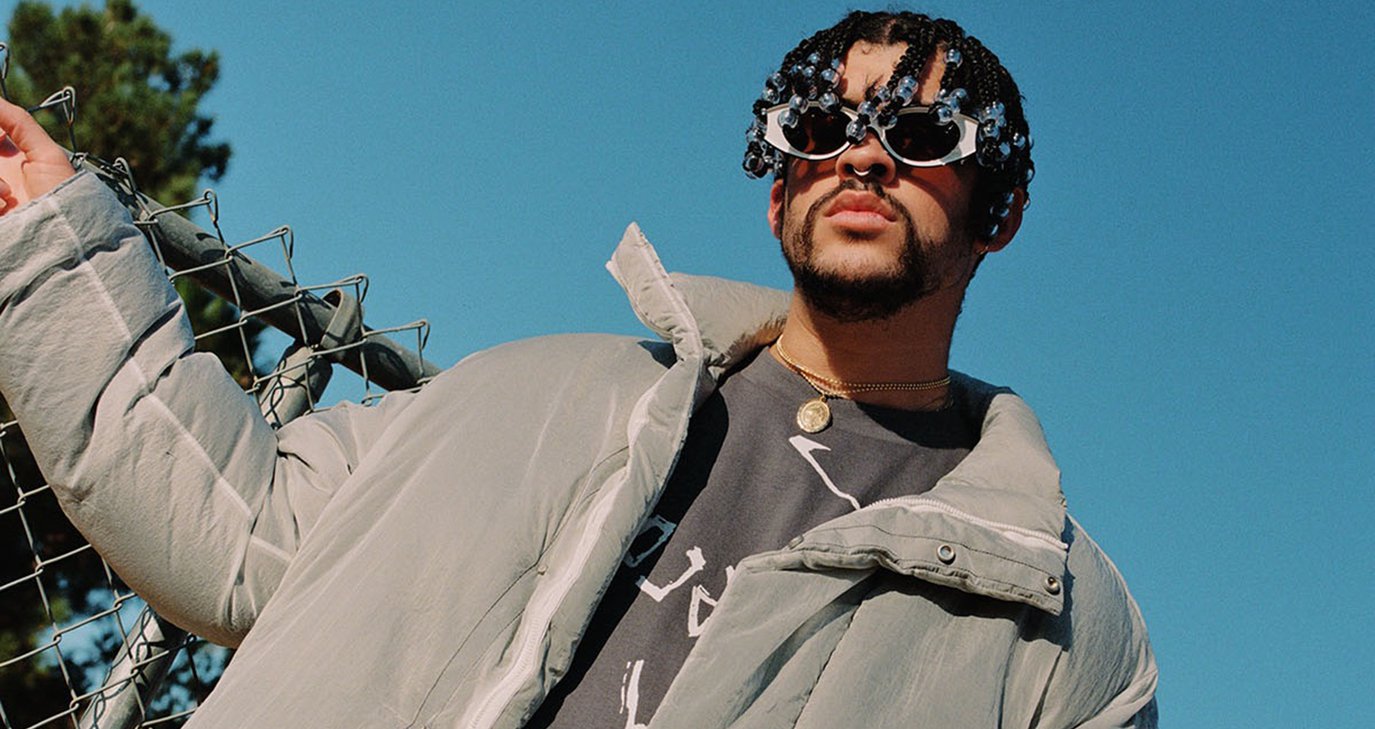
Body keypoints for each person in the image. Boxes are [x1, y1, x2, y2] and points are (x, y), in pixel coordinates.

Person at [0, 9, 1157, 729]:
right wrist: (47, 236)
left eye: (922, 133)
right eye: (821, 126)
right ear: (776, 190)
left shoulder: (1064, 631)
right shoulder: (528, 391)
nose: (862, 154)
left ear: (999, 210)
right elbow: (231, 528)